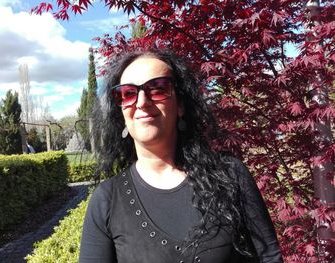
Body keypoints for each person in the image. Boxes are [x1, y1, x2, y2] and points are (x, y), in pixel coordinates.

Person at [79, 49, 283, 262]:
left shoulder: (230, 175)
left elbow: (269, 257)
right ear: (120, 110)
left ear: (181, 105)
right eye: (128, 93)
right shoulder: (107, 200)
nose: (141, 102)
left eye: (157, 89)